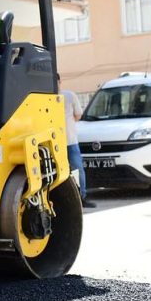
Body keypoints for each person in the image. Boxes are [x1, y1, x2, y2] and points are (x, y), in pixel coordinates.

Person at [58, 74, 96, 209]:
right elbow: (77, 116)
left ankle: (81, 197)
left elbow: (78, 115)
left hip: (69, 140)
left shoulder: (69, 96)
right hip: (60, 141)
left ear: (59, 81)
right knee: (71, 170)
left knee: (77, 170)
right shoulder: (67, 95)